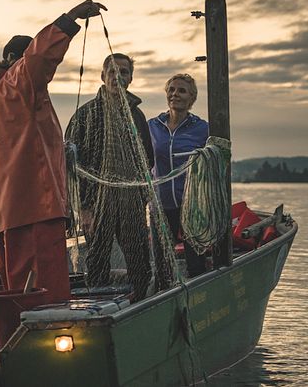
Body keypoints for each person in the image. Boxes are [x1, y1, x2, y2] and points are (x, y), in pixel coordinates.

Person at [0, 0, 107, 304]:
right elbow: (36, 60)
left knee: (19, 292)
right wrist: (70, 19)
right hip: (35, 210)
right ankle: (47, 338)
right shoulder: (16, 87)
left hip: (7, 216)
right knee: (47, 294)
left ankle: (20, 338)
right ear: (13, 60)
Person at [65, 53, 154, 302]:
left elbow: (147, 159)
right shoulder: (85, 115)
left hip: (130, 203)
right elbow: (71, 166)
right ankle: (98, 306)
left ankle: (139, 305)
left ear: (131, 78)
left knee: (139, 261)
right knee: (97, 260)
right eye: (112, 71)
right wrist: (83, 208)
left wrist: (141, 198)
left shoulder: (137, 116)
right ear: (103, 76)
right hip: (96, 204)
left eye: (123, 72)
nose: (118, 76)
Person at [148, 73, 209, 278]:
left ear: (191, 98)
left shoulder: (202, 129)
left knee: (196, 264)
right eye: (171, 90)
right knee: (162, 263)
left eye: (181, 91)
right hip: (160, 206)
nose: (175, 94)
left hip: (191, 207)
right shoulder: (152, 126)